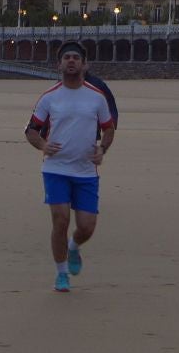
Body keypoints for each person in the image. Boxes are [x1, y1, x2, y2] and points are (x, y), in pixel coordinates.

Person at [24, 40, 116, 293]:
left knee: (86, 227)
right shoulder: (49, 97)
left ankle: (74, 247)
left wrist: (102, 149)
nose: (71, 61)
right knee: (60, 220)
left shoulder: (96, 98)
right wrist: (43, 145)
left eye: (76, 57)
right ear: (59, 64)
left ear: (85, 64)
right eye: (67, 58)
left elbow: (109, 128)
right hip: (56, 169)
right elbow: (31, 130)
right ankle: (61, 274)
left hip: (86, 171)